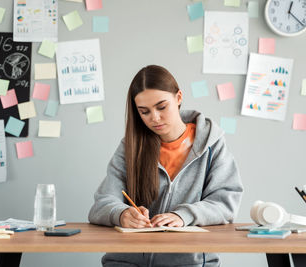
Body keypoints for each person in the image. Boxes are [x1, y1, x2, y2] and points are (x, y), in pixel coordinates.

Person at [88, 65, 244, 267]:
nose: (154, 118)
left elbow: (226, 204)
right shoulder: (131, 146)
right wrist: (121, 214)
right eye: (144, 112)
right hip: (126, 262)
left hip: (189, 263)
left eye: (162, 107)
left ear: (178, 98)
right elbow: (101, 203)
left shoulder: (211, 144)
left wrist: (184, 216)